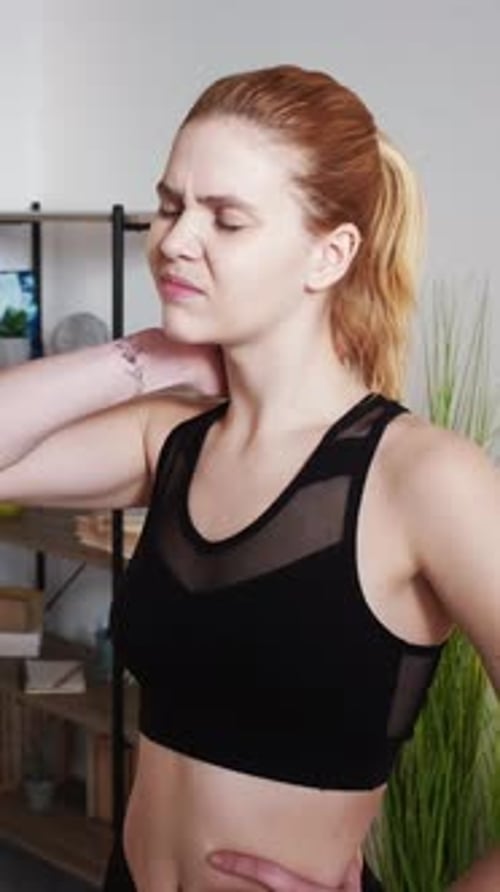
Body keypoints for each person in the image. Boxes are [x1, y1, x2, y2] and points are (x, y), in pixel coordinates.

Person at [0, 64, 498, 892]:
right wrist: (143, 358)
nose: (175, 239)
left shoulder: (423, 478)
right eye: (170, 205)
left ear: (329, 254)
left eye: (226, 219)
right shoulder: (172, 442)